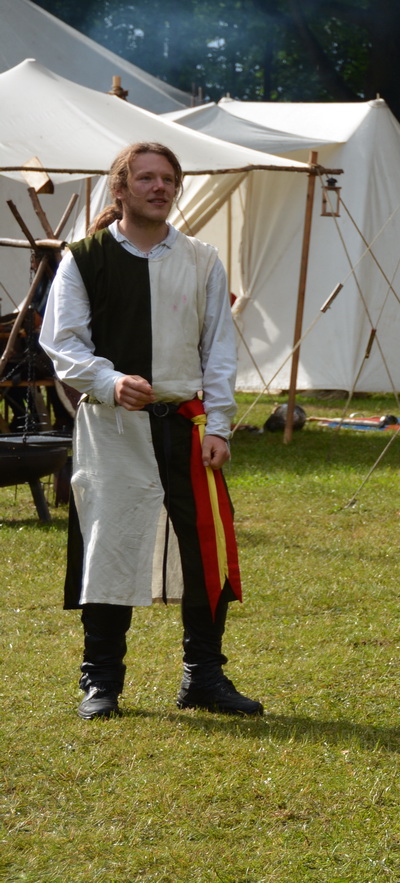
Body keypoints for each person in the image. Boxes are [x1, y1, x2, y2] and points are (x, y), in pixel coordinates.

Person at [39, 143, 261, 719]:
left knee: (203, 548)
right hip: (113, 426)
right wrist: (109, 381)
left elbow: (218, 349)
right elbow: (61, 343)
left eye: (168, 179)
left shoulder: (201, 259)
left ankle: (204, 676)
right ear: (121, 188)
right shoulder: (84, 258)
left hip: (185, 428)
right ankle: (101, 682)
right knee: (110, 545)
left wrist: (219, 425)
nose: (158, 187)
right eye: (146, 178)